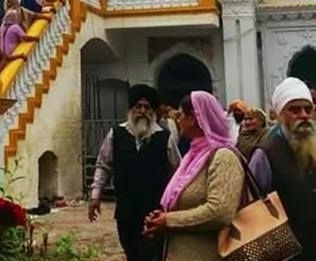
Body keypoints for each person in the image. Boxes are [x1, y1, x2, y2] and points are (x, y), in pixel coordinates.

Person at [143, 91, 245, 261]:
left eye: (181, 114)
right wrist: (159, 219)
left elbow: (220, 212)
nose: (178, 119)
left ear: (193, 118)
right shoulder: (193, 156)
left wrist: (169, 220)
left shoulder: (223, 157)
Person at [89, 85, 180, 261]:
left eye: (147, 107)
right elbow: (103, 165)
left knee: (151, 255)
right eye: (138, 106)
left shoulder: (165, 137)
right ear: (131, 109)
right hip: (126, 210)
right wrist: (95, 195)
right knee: (132, 253)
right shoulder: (116, 134)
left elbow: (177, 171)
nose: (142, 111)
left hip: (154, 212)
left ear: (153, 111)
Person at [250, 77, 316, 259]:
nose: (303, 115)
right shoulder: (265, 154)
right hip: (287, 251)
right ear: (280, 114)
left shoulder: (313, 145)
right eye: (294, 110)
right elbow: (253, 206)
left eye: (308, 109)